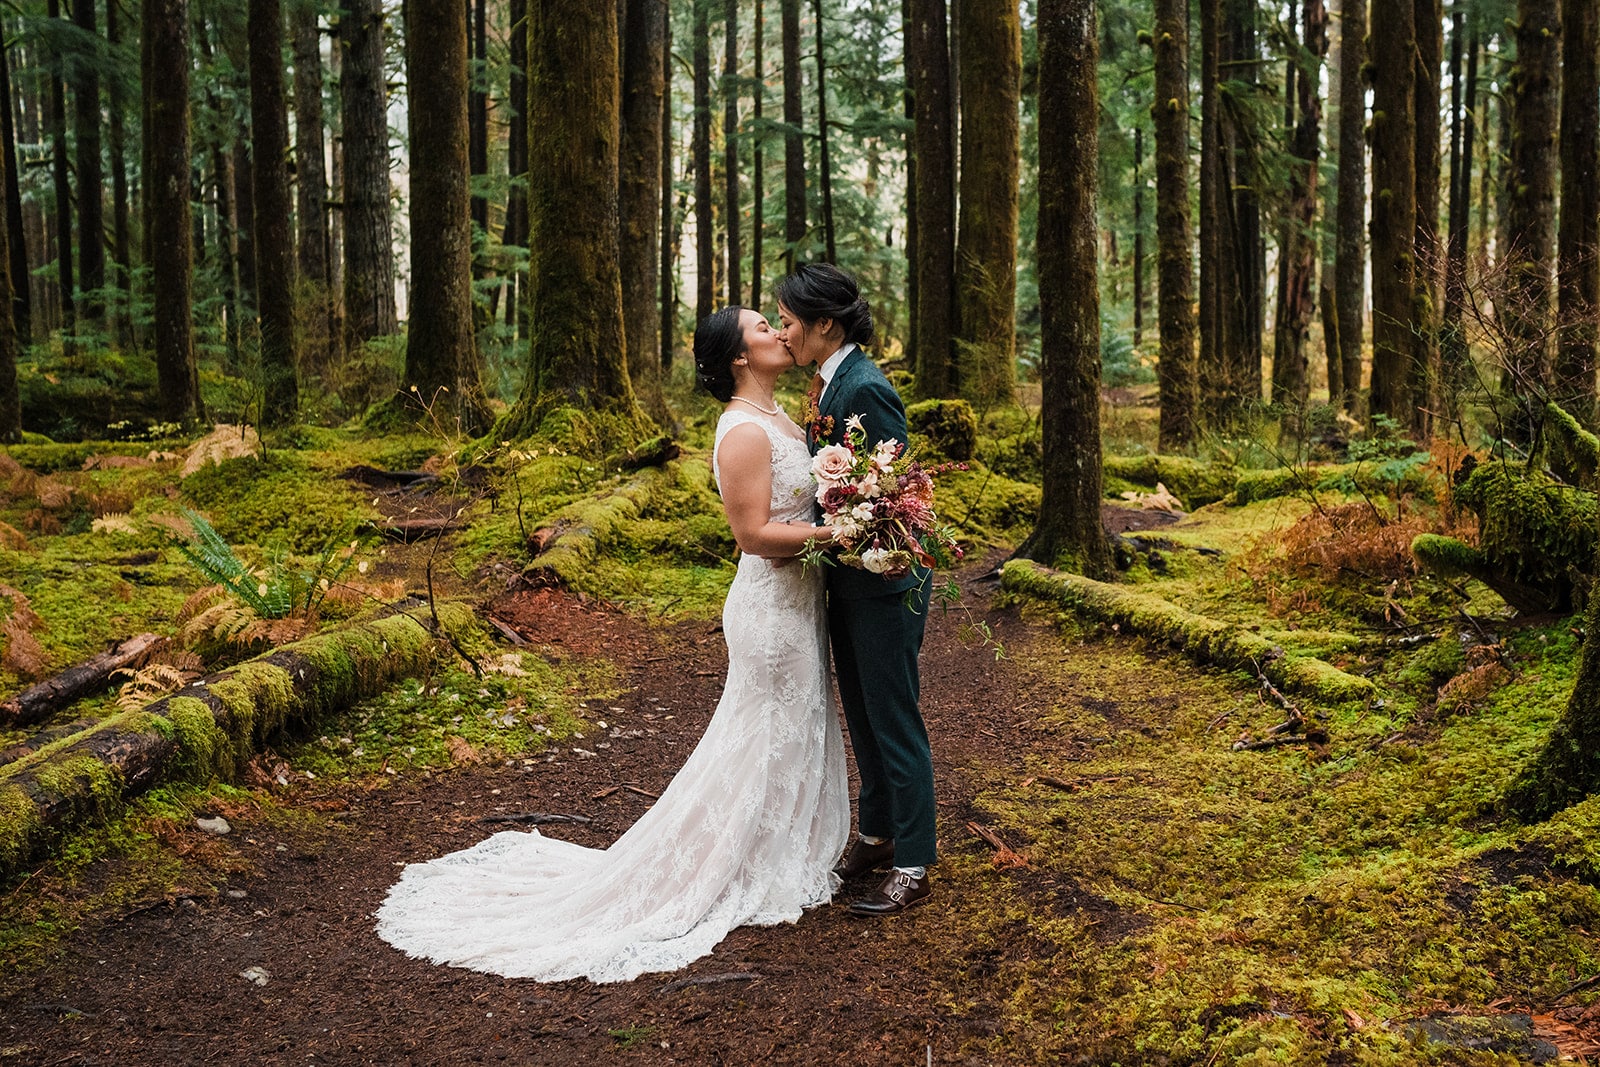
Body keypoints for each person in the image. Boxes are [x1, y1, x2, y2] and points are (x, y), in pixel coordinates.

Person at [374, 307, 848, 983]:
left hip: (801, 606)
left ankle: (771, 854)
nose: (779, 331)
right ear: (739, 356)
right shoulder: (743, 431)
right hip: (771, 609)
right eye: (762, 327)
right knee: (762, 734)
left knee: (787, 731)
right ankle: (729, 867)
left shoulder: (781, 419)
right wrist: (842, 533)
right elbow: (754, 538)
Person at [777, 263, 937, 916]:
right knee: (864, 711)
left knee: (892, 712)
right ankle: (876, 832)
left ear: (824, 323)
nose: (783, 331)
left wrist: (851, 528)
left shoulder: (865, 387)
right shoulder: (829, 381)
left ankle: (914, 858)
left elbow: (895, 491)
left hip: (883, 579)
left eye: (788, 320)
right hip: (847, 576)